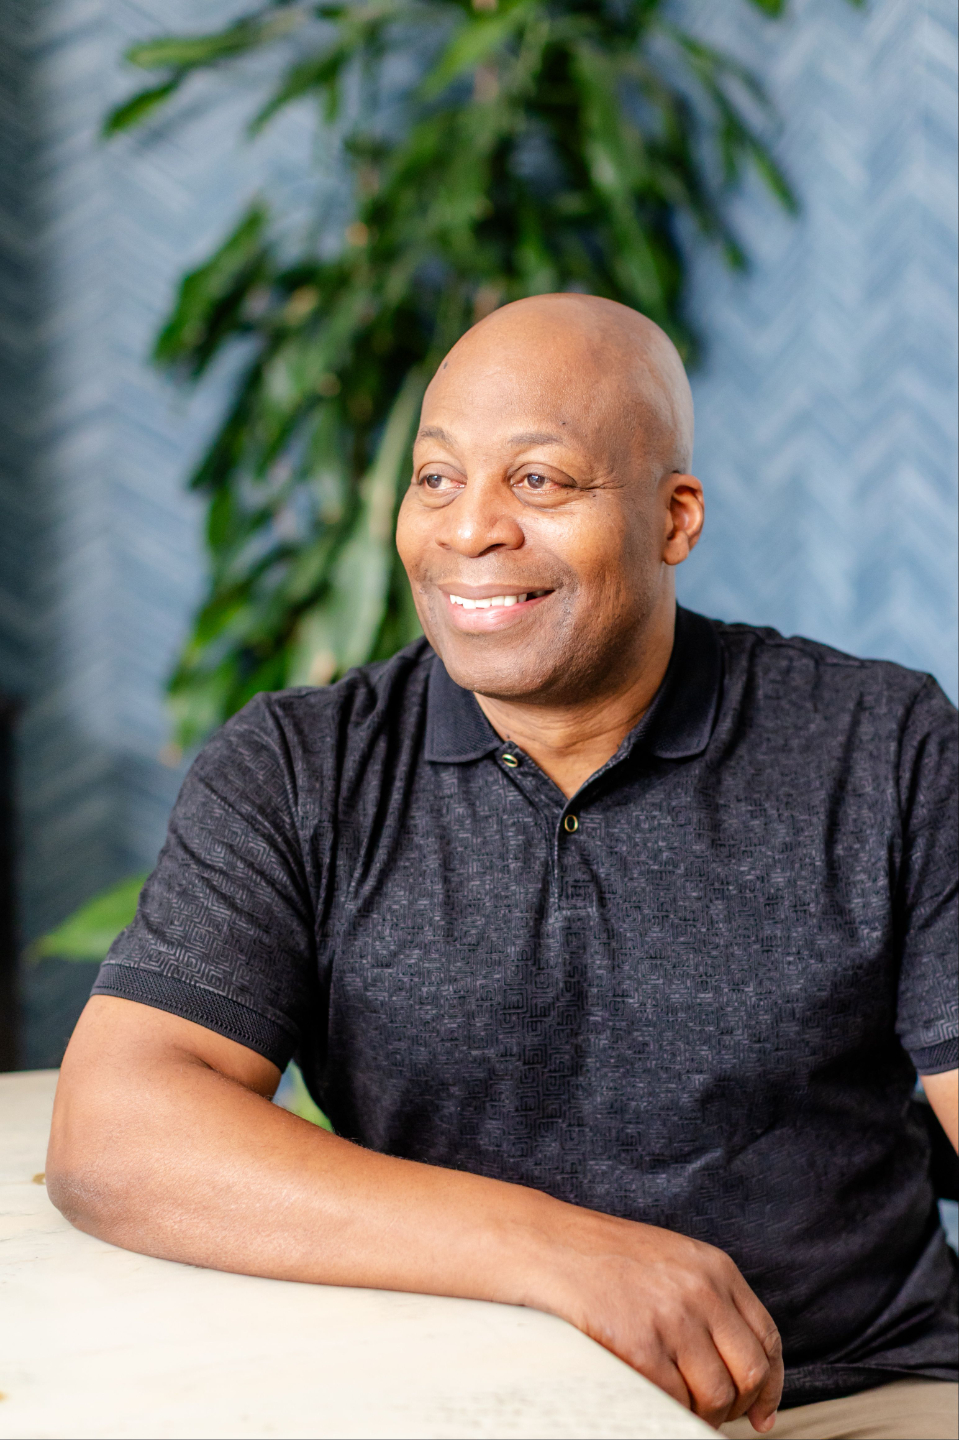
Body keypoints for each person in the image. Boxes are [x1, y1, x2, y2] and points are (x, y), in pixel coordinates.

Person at [47, 296, 957, 1439]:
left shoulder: (882, 746)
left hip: (840, 1398)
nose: (469, 530)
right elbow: (115, 1132)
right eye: (435, 479)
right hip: (444, 1397)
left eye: (539, 481)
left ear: (672, 518)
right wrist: (563, 1253)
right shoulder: (296, 767)